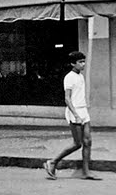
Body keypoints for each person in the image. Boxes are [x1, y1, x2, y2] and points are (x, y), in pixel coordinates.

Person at [44, 51, 102, 181]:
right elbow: (67, 99)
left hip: (83, 111)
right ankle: (53, 162)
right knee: (77, 143)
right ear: (72, 63)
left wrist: (84, 111)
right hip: (74, 112)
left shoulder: (80, 76)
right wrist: (76, 114)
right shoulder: (69, 77)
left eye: (83, 61)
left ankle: (86, 172)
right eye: (80, 62)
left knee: (88, 142)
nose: (83, 64)